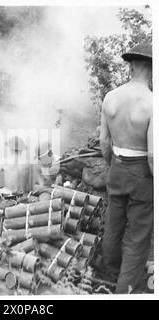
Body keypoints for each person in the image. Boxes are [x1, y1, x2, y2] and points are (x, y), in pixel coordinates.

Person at [99, 41, 153, 293]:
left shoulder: (111, 97)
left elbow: (103, 143)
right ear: (152, 70)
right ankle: (126, 290)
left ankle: (108, 274)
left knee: (114, 224)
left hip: (117, 165)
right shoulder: (153, 103)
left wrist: (114, 166)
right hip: (143, 170)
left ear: (131, 67)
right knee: (138, 235)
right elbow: (153, 154)